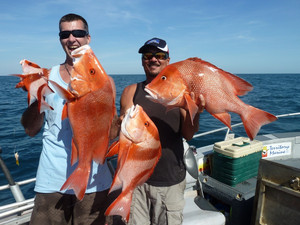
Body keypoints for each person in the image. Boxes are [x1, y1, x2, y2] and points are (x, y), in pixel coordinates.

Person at [22, 13, 117, 225]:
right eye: (65, 34)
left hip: (94, 181)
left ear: (88, 38)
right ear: (60, 39)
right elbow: (30, 130)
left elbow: (110, 133)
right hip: (52, 181)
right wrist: (38, 96)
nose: (71, 39)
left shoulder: (106, 83)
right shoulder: (46, 77)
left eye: (78, 33)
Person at [119, 37, 205, 225]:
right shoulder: (130, 92)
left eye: (159, 55)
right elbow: (120, 137)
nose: (153, 59)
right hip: (136, 181)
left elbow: (188, 134)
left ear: (168, 60)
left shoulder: (181, 92)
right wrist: (118, 124)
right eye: (148, 55)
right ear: (142, 60)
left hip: (169, 181)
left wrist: (196, 113)